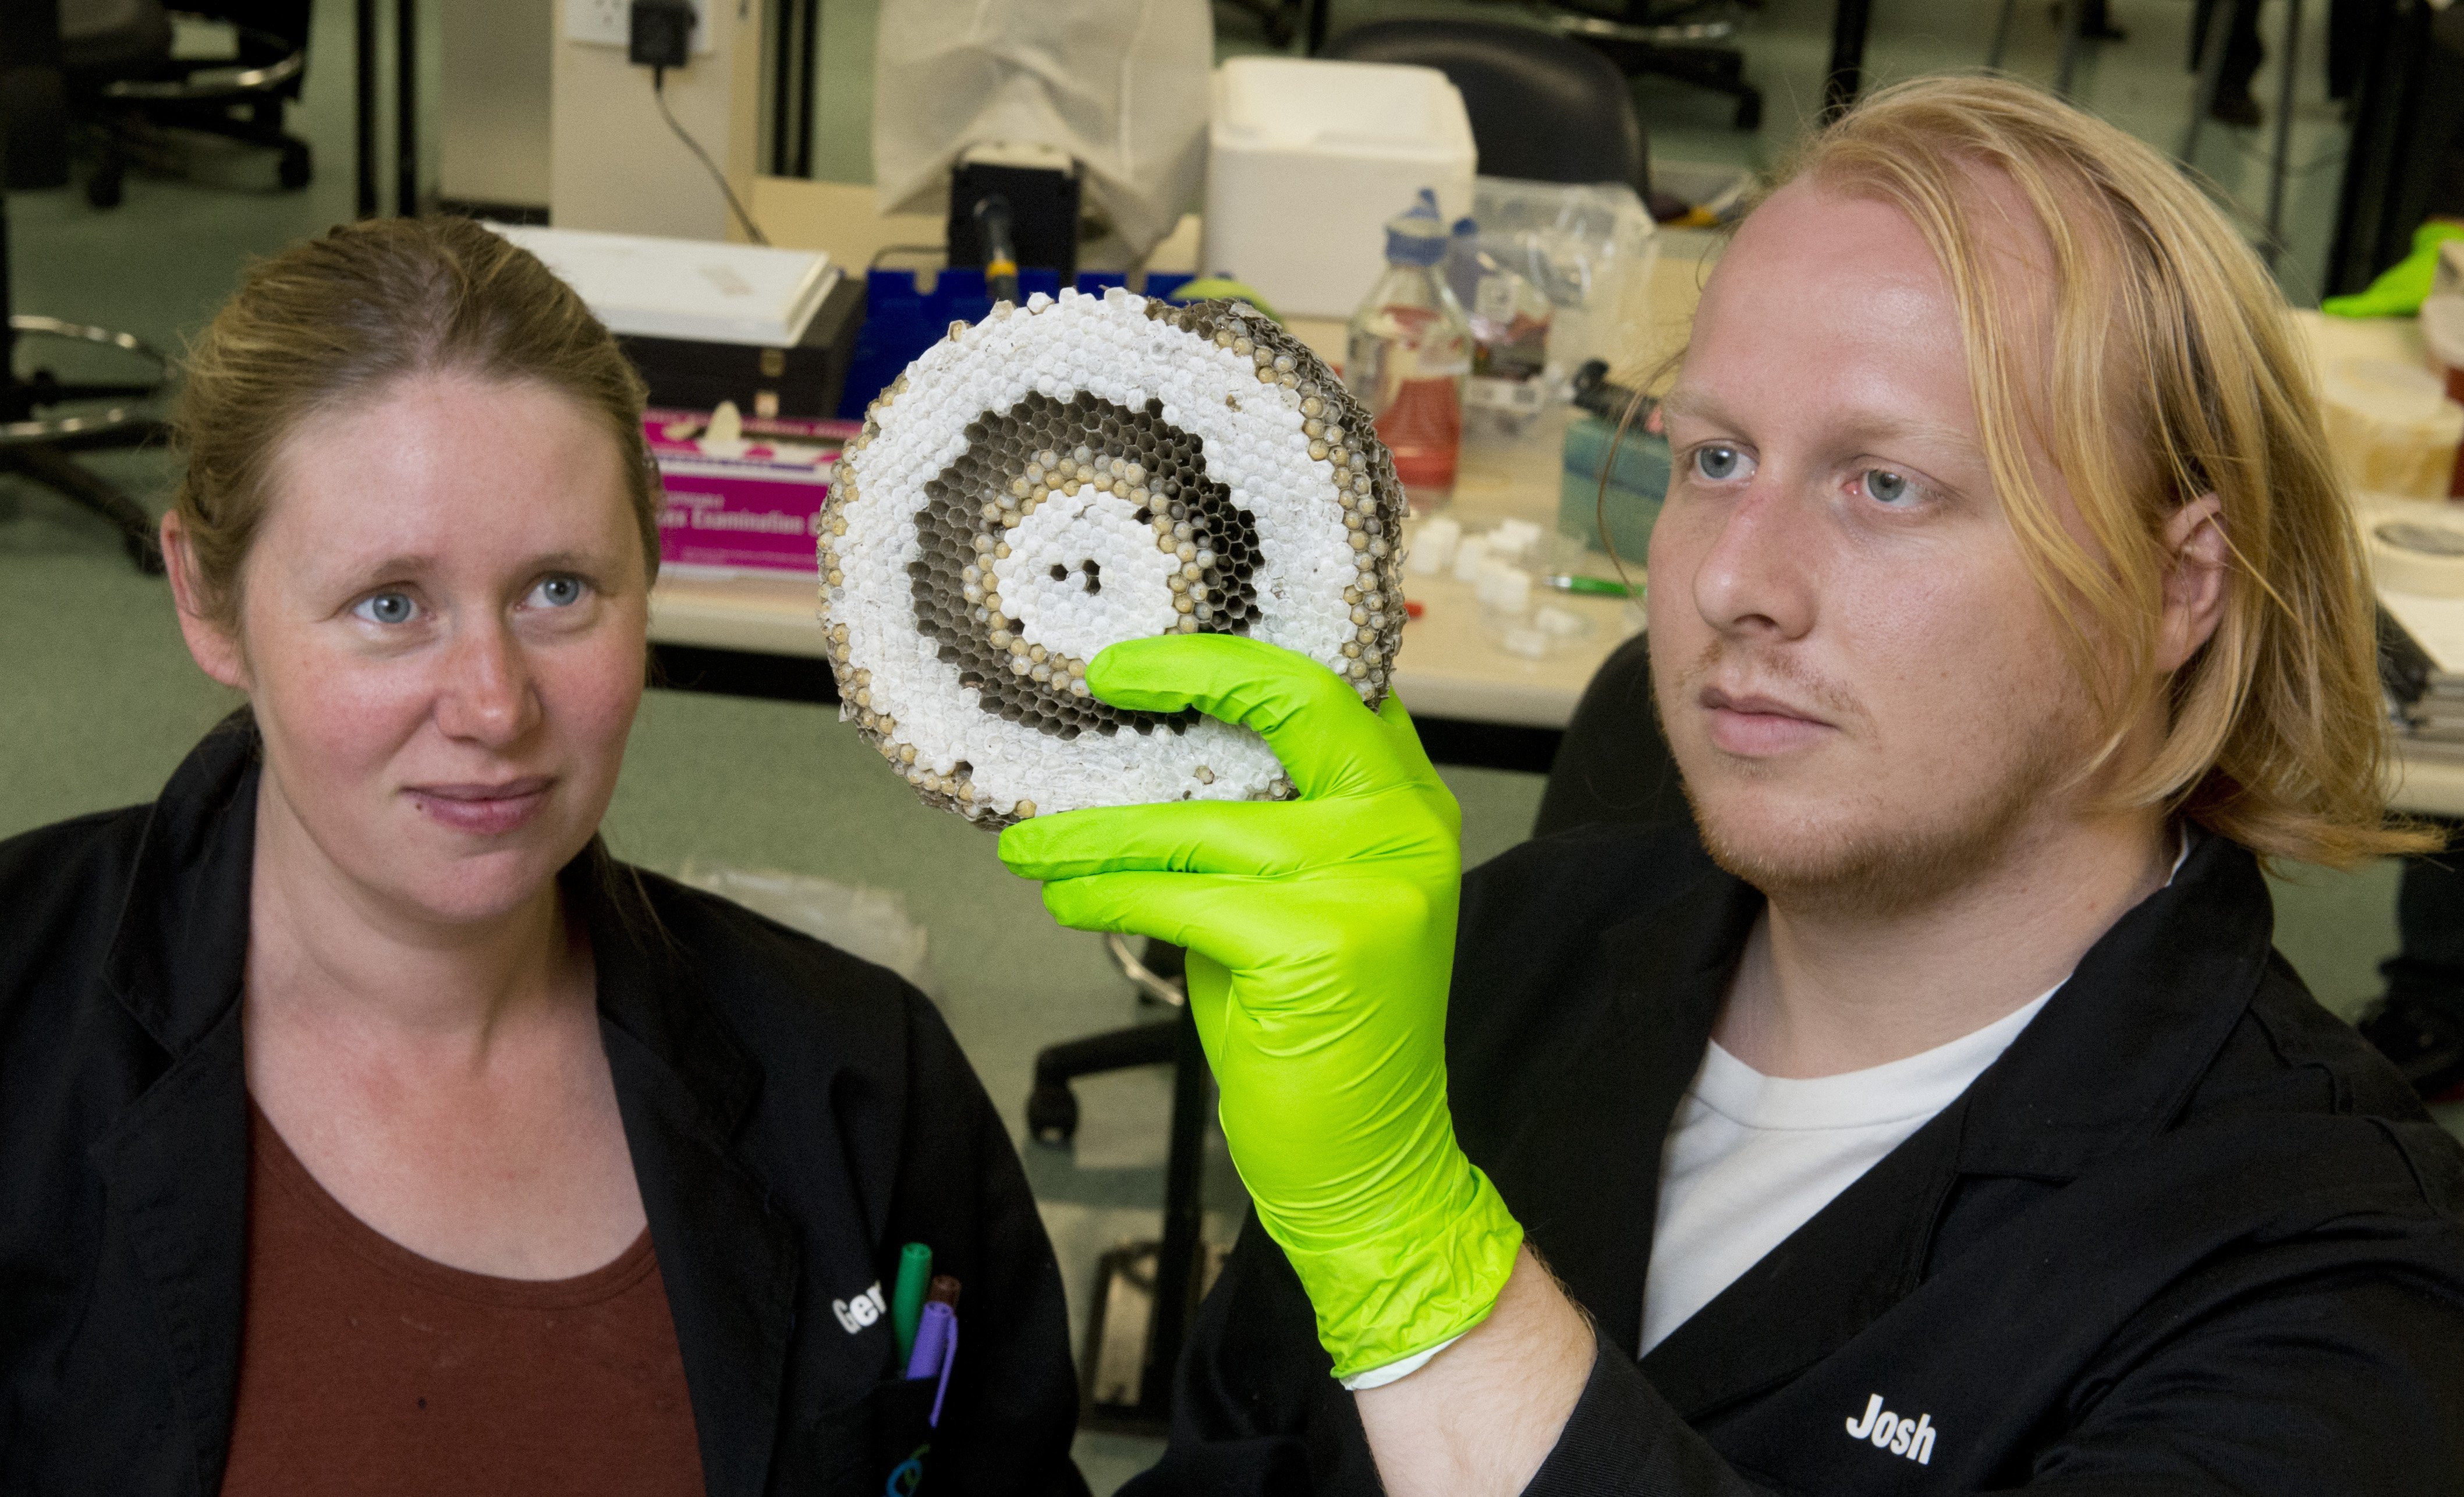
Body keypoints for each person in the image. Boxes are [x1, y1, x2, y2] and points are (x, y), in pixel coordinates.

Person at [998, 74, 2464, 1495]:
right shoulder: (1495, 961)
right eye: (1713, 455)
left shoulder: (2334, 1274)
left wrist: (1414, 1259)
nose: (1729, 579)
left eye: (1883, 483)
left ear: (2173, 586)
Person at [0, 217, 1084, 1496]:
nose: (493, 704)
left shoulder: (857, 1080)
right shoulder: (20, 1011)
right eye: (389, 604)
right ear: (204, 594)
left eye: (558, 589)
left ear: (649, 569)